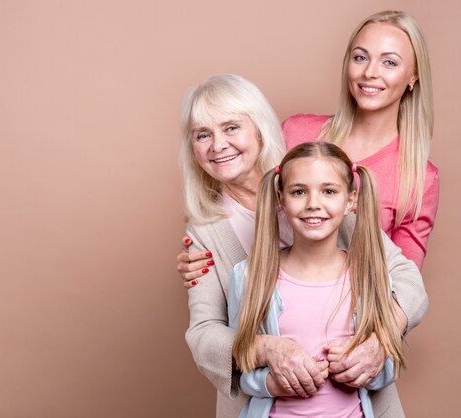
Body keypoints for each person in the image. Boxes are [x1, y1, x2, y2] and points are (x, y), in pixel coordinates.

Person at [179, 73, 426, 417]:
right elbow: (204, 333)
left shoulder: (316, 186)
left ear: (260, 128)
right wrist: (264, 349)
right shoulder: (206, 232)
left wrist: (379, 343)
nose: (217, 144)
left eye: (231, 128)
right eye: (202, 135)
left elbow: (407, 279)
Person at [229, 141, 404, 417]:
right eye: (299, 191)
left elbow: (387, 366)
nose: (313, 204)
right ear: (280, 199)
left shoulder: (370, 275)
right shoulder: (249, 276)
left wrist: (358, 372)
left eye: (329, 191)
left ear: (350, 200)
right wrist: (270, 383)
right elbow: (241, 365)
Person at [283, 10, 439, 270]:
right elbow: (245, 212)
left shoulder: (421, 177)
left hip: (358, 309)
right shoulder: (295, 133)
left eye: (389, 62)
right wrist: (203, 254)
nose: (369, 72)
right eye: (360, 57)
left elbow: (404, 284)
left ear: (413, 76)